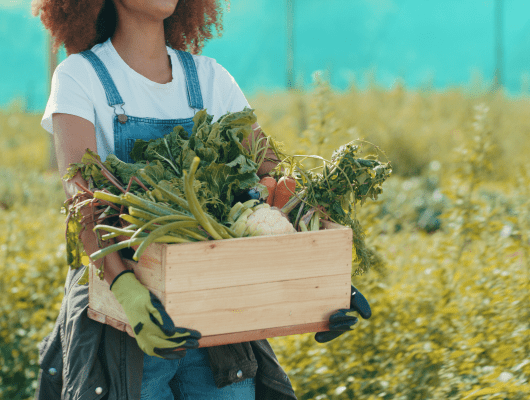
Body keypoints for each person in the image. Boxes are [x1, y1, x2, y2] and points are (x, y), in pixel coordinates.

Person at [31, 0, 372, 398]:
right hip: (125, 315)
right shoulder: (80, 75)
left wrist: (317, 278)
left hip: (214, 309)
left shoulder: (210, 79)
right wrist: (127, 290)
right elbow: (81, 199)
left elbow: (274, 180)